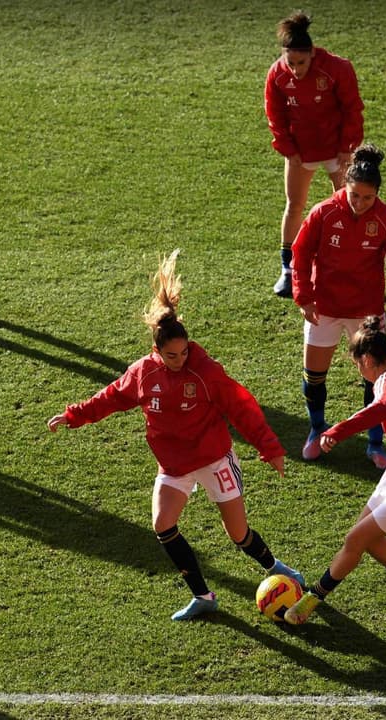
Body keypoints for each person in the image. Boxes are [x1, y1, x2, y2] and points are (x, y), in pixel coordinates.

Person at [48, 250, 304, 621]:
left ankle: (279, 570)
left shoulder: (205, 371)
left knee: (238, 534)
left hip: (214, 457)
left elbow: (241, 406)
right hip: (174, 465)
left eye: (184, 351)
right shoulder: (143, 373)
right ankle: (203, 595)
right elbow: (114, 397)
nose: (181, 359)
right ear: (156, 351)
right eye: (172, 355)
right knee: (163, 525)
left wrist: (270, 447)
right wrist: (75, 415)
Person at [284, 316, 386, 625]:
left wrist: (337, 431)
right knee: (366, 537)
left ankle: (311, 600)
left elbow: (383, 408)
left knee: (355, 539)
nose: (359, 371)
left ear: (368, 359)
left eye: (358, 364)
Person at [291, 144, 386, 468]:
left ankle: (374, 445)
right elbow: (300, 255)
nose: (359, 203)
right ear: (345, 186)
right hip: (325, 309)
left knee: (375, 380)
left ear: (377, 195)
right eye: (354, 195)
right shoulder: (323, 213)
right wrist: (304, 296)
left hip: (366, 314)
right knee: (314, 376)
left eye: (367, 198)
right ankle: (317, 429)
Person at [264, 11, 364, 298]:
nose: (295, 69)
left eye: (301, 63)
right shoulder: (277, 74)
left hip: (336, 148)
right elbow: (275, 114)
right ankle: (288, 270)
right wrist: (288, 148)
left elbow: (352, 110)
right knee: (294, 205)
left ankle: (347, 267)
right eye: (290, 63)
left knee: (349, 207)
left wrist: (347, 149)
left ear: (313, 55)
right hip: (302, 150)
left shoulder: (338, 69)